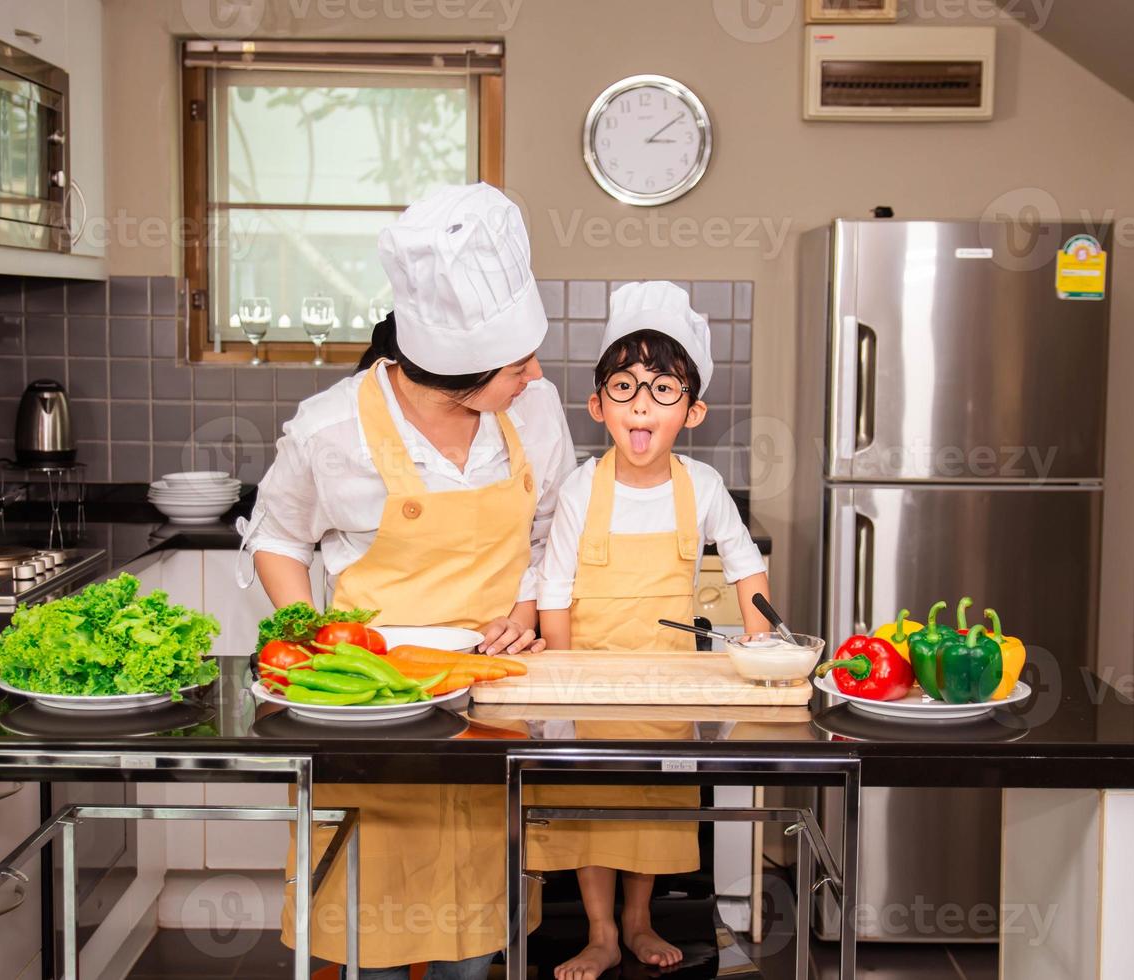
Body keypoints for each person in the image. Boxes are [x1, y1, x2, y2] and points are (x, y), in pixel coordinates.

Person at [238, 182, 576, 976]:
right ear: (459, 375)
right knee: (367, 935)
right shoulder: (332, 426)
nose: (534, 373)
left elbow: (552, 527)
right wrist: (311, 633)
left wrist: (528, 601)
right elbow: (276, 536)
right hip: (371, 704)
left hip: (495, 697)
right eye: (516, 365)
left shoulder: (535, 410)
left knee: (476, 934)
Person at [533, 281, 771, 980]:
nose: (643, 402)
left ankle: (640, 922)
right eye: (626, 385)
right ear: (598, 405)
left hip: (668, 684)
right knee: (591, 809)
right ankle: (602, 931)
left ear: (692, 411)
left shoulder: (702, 487)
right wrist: (565, 690)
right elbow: (554, 589)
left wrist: (763, 640)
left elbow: (744, 565)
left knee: (653, 805)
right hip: (591, 685)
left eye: (663, 389)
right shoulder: (581, 489)